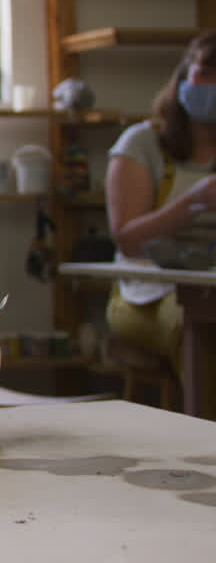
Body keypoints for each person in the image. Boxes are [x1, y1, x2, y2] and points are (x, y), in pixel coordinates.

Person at [105, 31, 216, 418]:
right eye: (207, 73)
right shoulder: (142, 145)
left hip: (210, 284)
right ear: (184, 75)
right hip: (147, 292)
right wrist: (193, 202)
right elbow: (129, 239)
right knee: (198, 335)